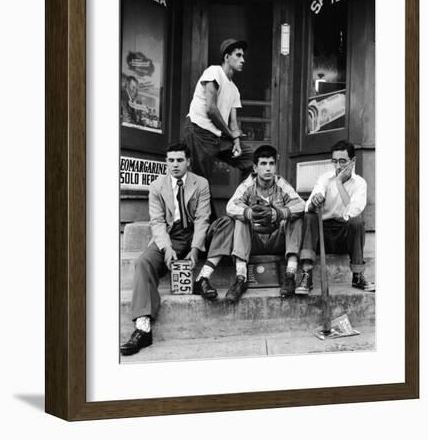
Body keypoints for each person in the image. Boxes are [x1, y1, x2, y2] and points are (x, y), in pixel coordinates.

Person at [120, 142, 211, 356]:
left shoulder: (201, 183)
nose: (175, 164)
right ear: (166, 162)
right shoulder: (156, 186)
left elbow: (202, 218)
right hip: (171, 236)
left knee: (217, 230)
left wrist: (196, 249)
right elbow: (157, 222)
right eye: (171, 160)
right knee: (143, 262)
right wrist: (167, 248)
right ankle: (143, 328)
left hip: (196, 235)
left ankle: (203, 279)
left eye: (180, 160)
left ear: (188, 161)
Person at [193, 145, 305, 303]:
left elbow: (301, 205)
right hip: (253, 242)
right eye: (263, 164)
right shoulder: (247, 185)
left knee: (296, 216)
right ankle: (241, 278)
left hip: (277, 240)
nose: (268, 169)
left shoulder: (282, 184)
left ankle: (290, 275)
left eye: (271, 164)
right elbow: (230, 206)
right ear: (255, 167)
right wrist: (249, 213)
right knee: (240, 217)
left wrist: (279, 213)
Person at [183, 38, 254, 216]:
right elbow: (211, 109)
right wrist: (230, 134)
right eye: (238, 55)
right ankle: (208, 227)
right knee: (201, 185)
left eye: (243, 55)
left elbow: (233, 122)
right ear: (227, 57)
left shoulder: (234, 89)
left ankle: (239, 205)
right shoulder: (214, 71)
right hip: (199, 131)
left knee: (253, 160)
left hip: (218, 136)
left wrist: (236, 141)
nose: (243, 59)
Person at [296, 140, 375, 295]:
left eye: (343, 161)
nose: (338, 166)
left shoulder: (360, 183)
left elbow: (352, 211)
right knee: (310, 216)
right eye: (335, 161)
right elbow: (308, 207)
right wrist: (314, 201)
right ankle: (307, 275)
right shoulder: (324, 178)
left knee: (357, 221)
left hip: (344, 237)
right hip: (321, 235)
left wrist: (339, 183)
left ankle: (357, 275)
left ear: (353, 161)